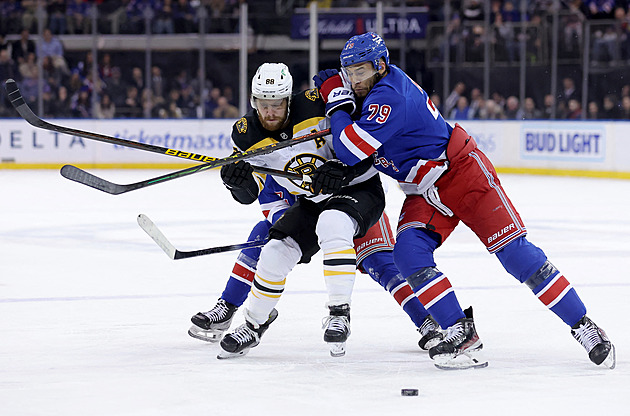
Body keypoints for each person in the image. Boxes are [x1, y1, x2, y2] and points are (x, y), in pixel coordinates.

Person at [314, 32, 615, 370]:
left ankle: (585, 327)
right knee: (408, 254)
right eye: (349, 72)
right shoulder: (372, 90)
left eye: (361, 71)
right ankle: (460, 330)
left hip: (462, 174)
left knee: (516, 255)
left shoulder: (389, 96)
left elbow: (351, 148)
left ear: (381, 65)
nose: (354, 80)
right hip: (424, 189)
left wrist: (336, 104)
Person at [214, 63, 437, 359]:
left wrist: (344, 170)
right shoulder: (246, 134)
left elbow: (365, 143)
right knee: (275, 251)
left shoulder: (315, 105)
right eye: (263, 105)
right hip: (313, 202)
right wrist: (236, 183)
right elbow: (250, 194)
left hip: (358, 190)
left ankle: (341, 314)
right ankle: (253, 324)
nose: (270, 112)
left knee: (372, 255)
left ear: (289, 100)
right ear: (254, 101)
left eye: (277, 105)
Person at [189, 175, 443, 352]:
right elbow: (272, 207)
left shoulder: (320, 135)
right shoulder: (270, 156)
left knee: (383, 265)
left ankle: (426, 321)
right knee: (262, 236)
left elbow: (368, 179)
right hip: (305, 220)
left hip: (353, 211)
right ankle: (228, 308)